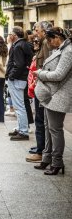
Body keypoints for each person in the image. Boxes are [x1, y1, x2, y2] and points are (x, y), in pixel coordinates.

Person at [33, 27, 72, 175]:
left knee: (55, 129)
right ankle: (47, 158)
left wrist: (41, 73)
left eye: (50, 40)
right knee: (48, 127)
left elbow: (59, 74)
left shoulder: (68, 51)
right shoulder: (62, 49)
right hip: (52, 94)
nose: (49, 43)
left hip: (59, 95)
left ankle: (57, 162)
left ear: (57, 37)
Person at [26, 21, 53, 163]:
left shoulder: (47, 44)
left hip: (43, 85)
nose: (35, 32)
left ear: (43, 31)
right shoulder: (42, 44)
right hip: (40, 84)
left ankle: (41, 151)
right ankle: (41, 147)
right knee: (40, 118)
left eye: (36, 30)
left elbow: (47, 65)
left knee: (40, 119)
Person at [6, 26, 34, 140]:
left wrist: (11, 76)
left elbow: (19, 64)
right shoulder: (23, 44)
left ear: (15, 35)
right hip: (21, 79)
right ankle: (21, 127)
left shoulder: (18, 46)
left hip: (18, 79)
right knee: (20, 106)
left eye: (10, 34)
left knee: (19, 106)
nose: (8, 36)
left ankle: (23, 131)